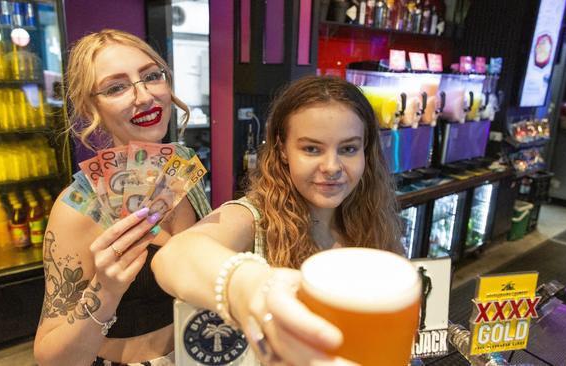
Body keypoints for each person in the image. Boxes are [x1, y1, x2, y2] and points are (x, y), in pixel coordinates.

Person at [152, 75, 403, 365]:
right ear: (283, 149)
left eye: (348, 149)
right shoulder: (253, 217)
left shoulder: (371, 217)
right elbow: (174, 257)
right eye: (311, 149)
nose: (332, 167)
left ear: (365, 151)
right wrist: (249, 286)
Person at [34, 29, 211, 366]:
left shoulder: (184, 167)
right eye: (116, 87)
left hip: (200, 351)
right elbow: (50, 358)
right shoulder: (76, 208)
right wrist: (107, 288)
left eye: (151, 76)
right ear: (90, 106)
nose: (143, 96)